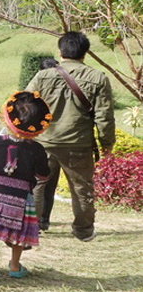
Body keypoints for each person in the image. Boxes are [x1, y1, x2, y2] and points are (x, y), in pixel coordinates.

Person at [26, 31, 115, 241]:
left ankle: (34, 227)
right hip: (78, 144)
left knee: (38, 185)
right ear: (85, 53)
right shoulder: (98, 78)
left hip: (43, 142)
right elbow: (105, 116)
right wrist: (107, 144)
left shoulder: (42, 76)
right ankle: (83, 231)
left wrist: (26, 136)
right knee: (81, 188)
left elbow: (26, 104)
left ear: (60, 51)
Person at [0, 91, 52, 283]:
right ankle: (14, 266)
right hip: (23, 194)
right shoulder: (37, 149)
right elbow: (43, 174)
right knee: (19, 232)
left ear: (8, 119)